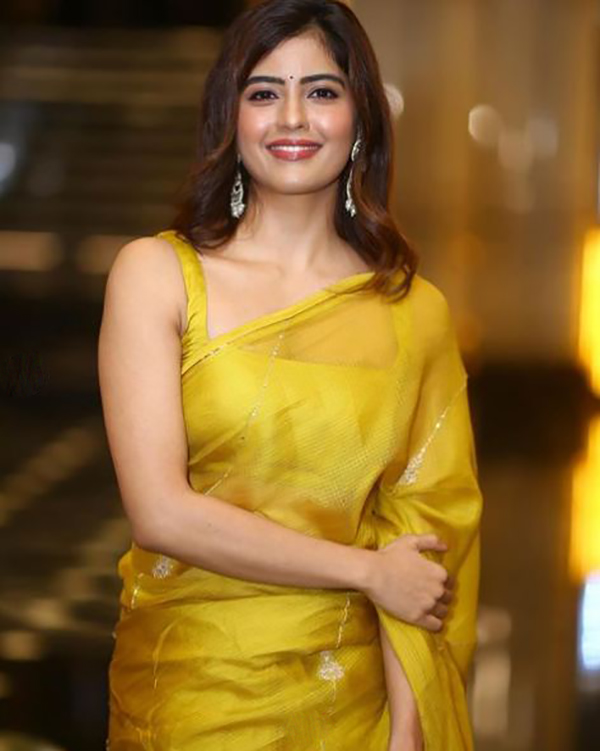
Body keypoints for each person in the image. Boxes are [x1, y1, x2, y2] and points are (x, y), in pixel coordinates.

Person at [97, 1, 483, 749]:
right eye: (265, 92)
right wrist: (364, 570)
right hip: (190, 693)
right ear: (231, 118)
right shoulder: (158, 275)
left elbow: (422, 541)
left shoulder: (413, 313)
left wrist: (407, 730)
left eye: (322, 91)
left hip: (351, 703)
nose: (293, 118)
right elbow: (161, 513)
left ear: (360, 117)